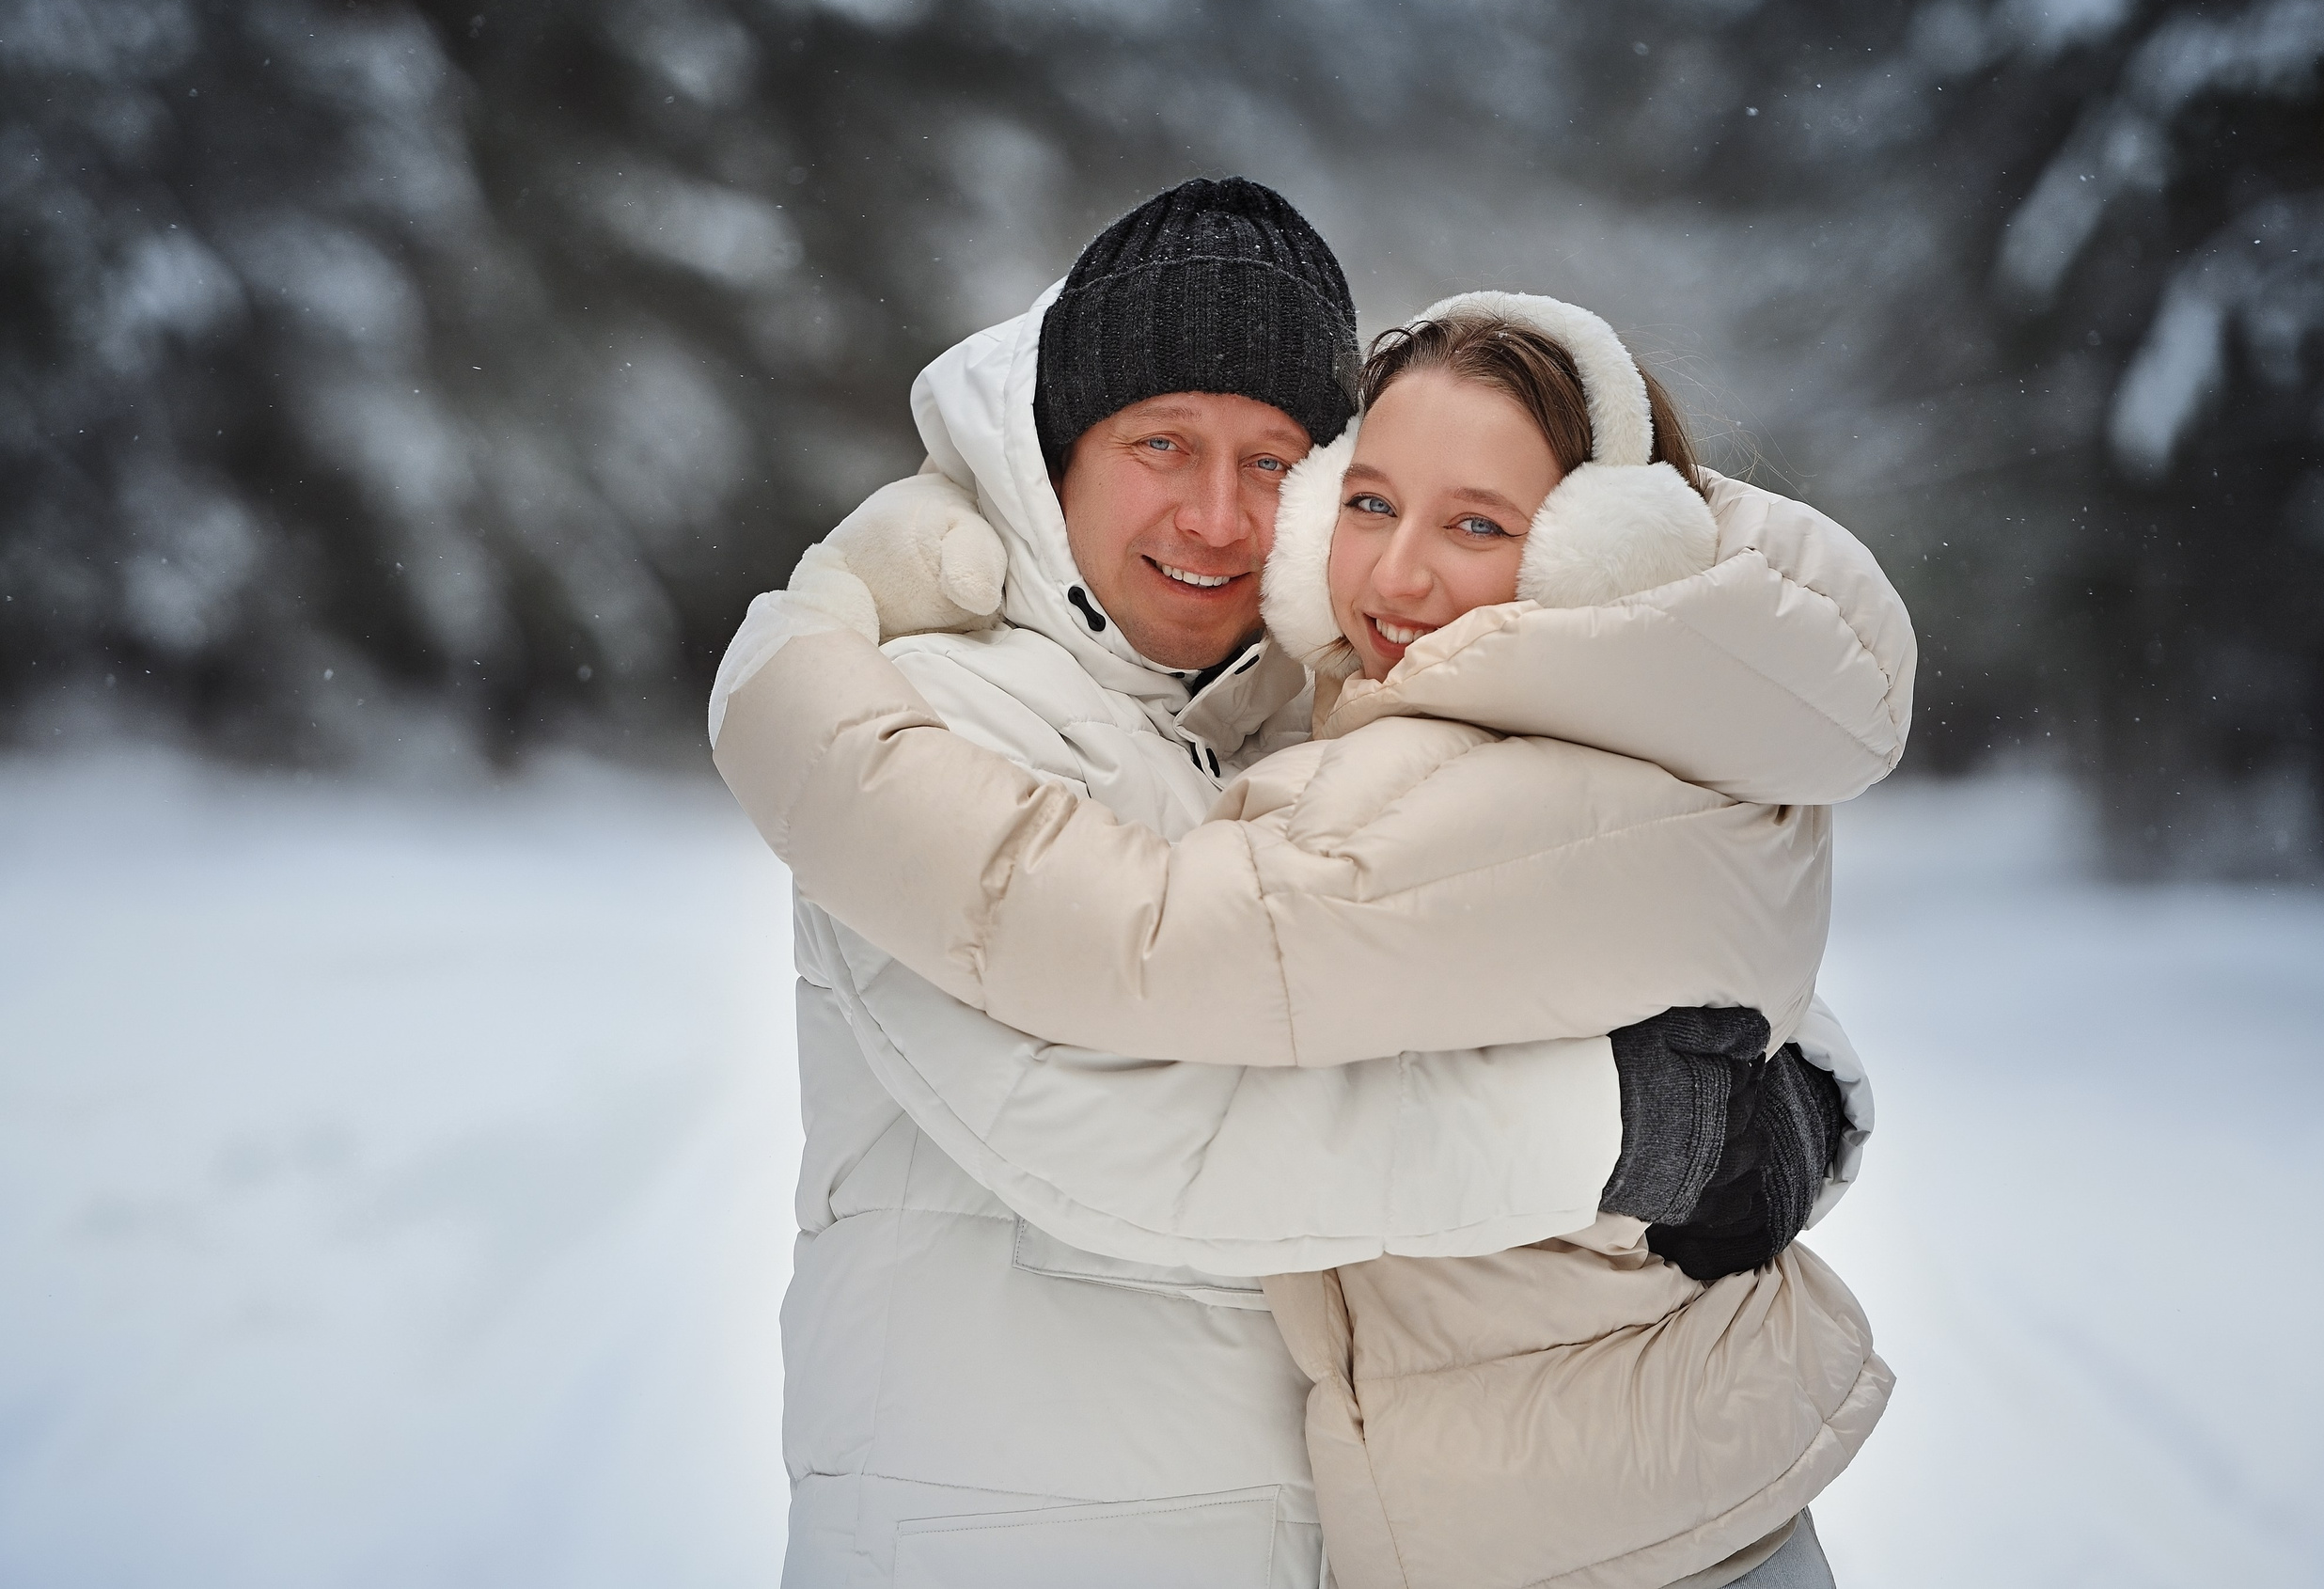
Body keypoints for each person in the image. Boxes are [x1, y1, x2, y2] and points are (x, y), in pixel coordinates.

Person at [711, 179, 1895, 1587]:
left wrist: (1798, 1088)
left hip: (1314, 1535)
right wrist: (1627, 1128)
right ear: (1056, 451)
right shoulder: (935, 718)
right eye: (1161, 443)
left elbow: (1601, 904)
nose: (1215, 516)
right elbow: (1131, 1132)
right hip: (1006, 1534)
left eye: (1275, 460)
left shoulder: (1333, 698)